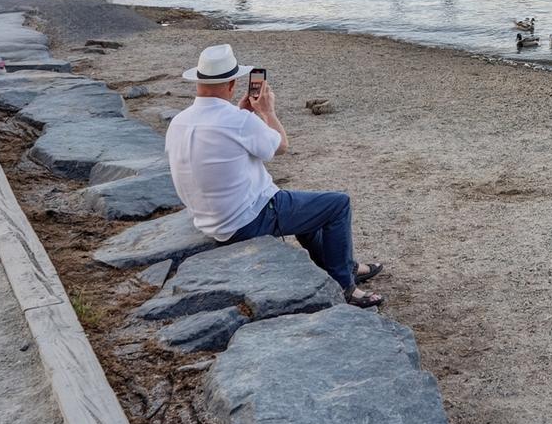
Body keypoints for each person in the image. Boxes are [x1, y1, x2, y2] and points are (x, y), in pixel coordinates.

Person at [163, 44, 385, 307]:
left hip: (209, 219)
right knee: (338, 204)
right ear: (232, 83)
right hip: (246, 219)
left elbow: (223, 145)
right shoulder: (236, 120)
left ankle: (345, 264)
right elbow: (281, 146)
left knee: (308, 210)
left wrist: (244, 113)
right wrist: (267, 112)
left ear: (199, 81)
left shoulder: (179, 121)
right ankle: (345, 285)